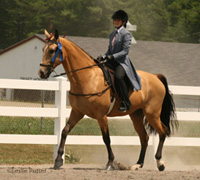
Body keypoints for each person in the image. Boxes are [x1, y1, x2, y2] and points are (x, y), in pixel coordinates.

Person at [98, 10, 141, 112]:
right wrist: (103, 57)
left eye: (118, 20)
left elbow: (125, 51)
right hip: (111, 60)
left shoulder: (126, 34)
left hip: (121, 62)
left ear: (124, 22)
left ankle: (126, 102)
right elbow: (109, 50)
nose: (116, 22)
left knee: (118, 76)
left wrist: (112, 57)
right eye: (115, 20)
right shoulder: (112, 34)